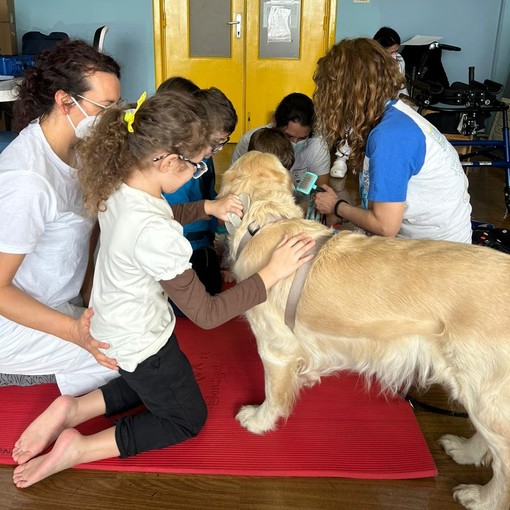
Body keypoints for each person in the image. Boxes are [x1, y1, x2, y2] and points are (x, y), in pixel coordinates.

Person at [11, 90, 315, 488]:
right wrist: (271, 272)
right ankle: (78, 448)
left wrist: (207, 208)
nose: (198, 171)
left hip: (116, 326)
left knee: (154, 383)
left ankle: (71, 409)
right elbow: (206, 315)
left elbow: (158, 214)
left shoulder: (122, 185)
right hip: (140, 339)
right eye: (197, 165)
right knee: (186, 419)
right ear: (170, 161)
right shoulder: (157, 235)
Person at [0, 39, 122, 396]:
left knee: (144, 331)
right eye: (106, 108)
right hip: (14, 320)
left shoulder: (80, 152)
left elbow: (92, 230)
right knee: (125, 358)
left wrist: (90, 299)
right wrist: (75, 333)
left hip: (61, 301)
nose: (114, 120)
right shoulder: (28, 180)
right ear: (65, 101)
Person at [313, 38, 472, 243]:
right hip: (438, 242)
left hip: (437, 255)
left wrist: (337, 206)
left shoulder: (390, 136)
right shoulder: (395, 114)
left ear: (344, 92)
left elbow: (385, 226)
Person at [158, 77, 237, 300]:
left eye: (223, 142)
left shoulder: (205, 157)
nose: (217, 149)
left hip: (201, 240)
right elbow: (171, 215)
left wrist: (221, 214)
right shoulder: (171, 164)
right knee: (204, 292)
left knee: (210, 283)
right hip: (178, 245)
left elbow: (208, 193)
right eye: (215, 142)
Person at [330, 27, 409, 180]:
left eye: (396, 51)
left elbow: (401, 87)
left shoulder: (399, 61)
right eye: (390, 52)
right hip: (364, 101)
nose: (394, 56)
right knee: (354, 117)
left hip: (387, 102)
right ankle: (342, 157)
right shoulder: (363, 64)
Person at [231, 92, 330, 189]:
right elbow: (234, 186)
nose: (295, 143)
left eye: (302, 138)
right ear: (275, 124)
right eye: (288, 136)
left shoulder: (318, 144)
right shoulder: (251, 140)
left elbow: (321, 191)